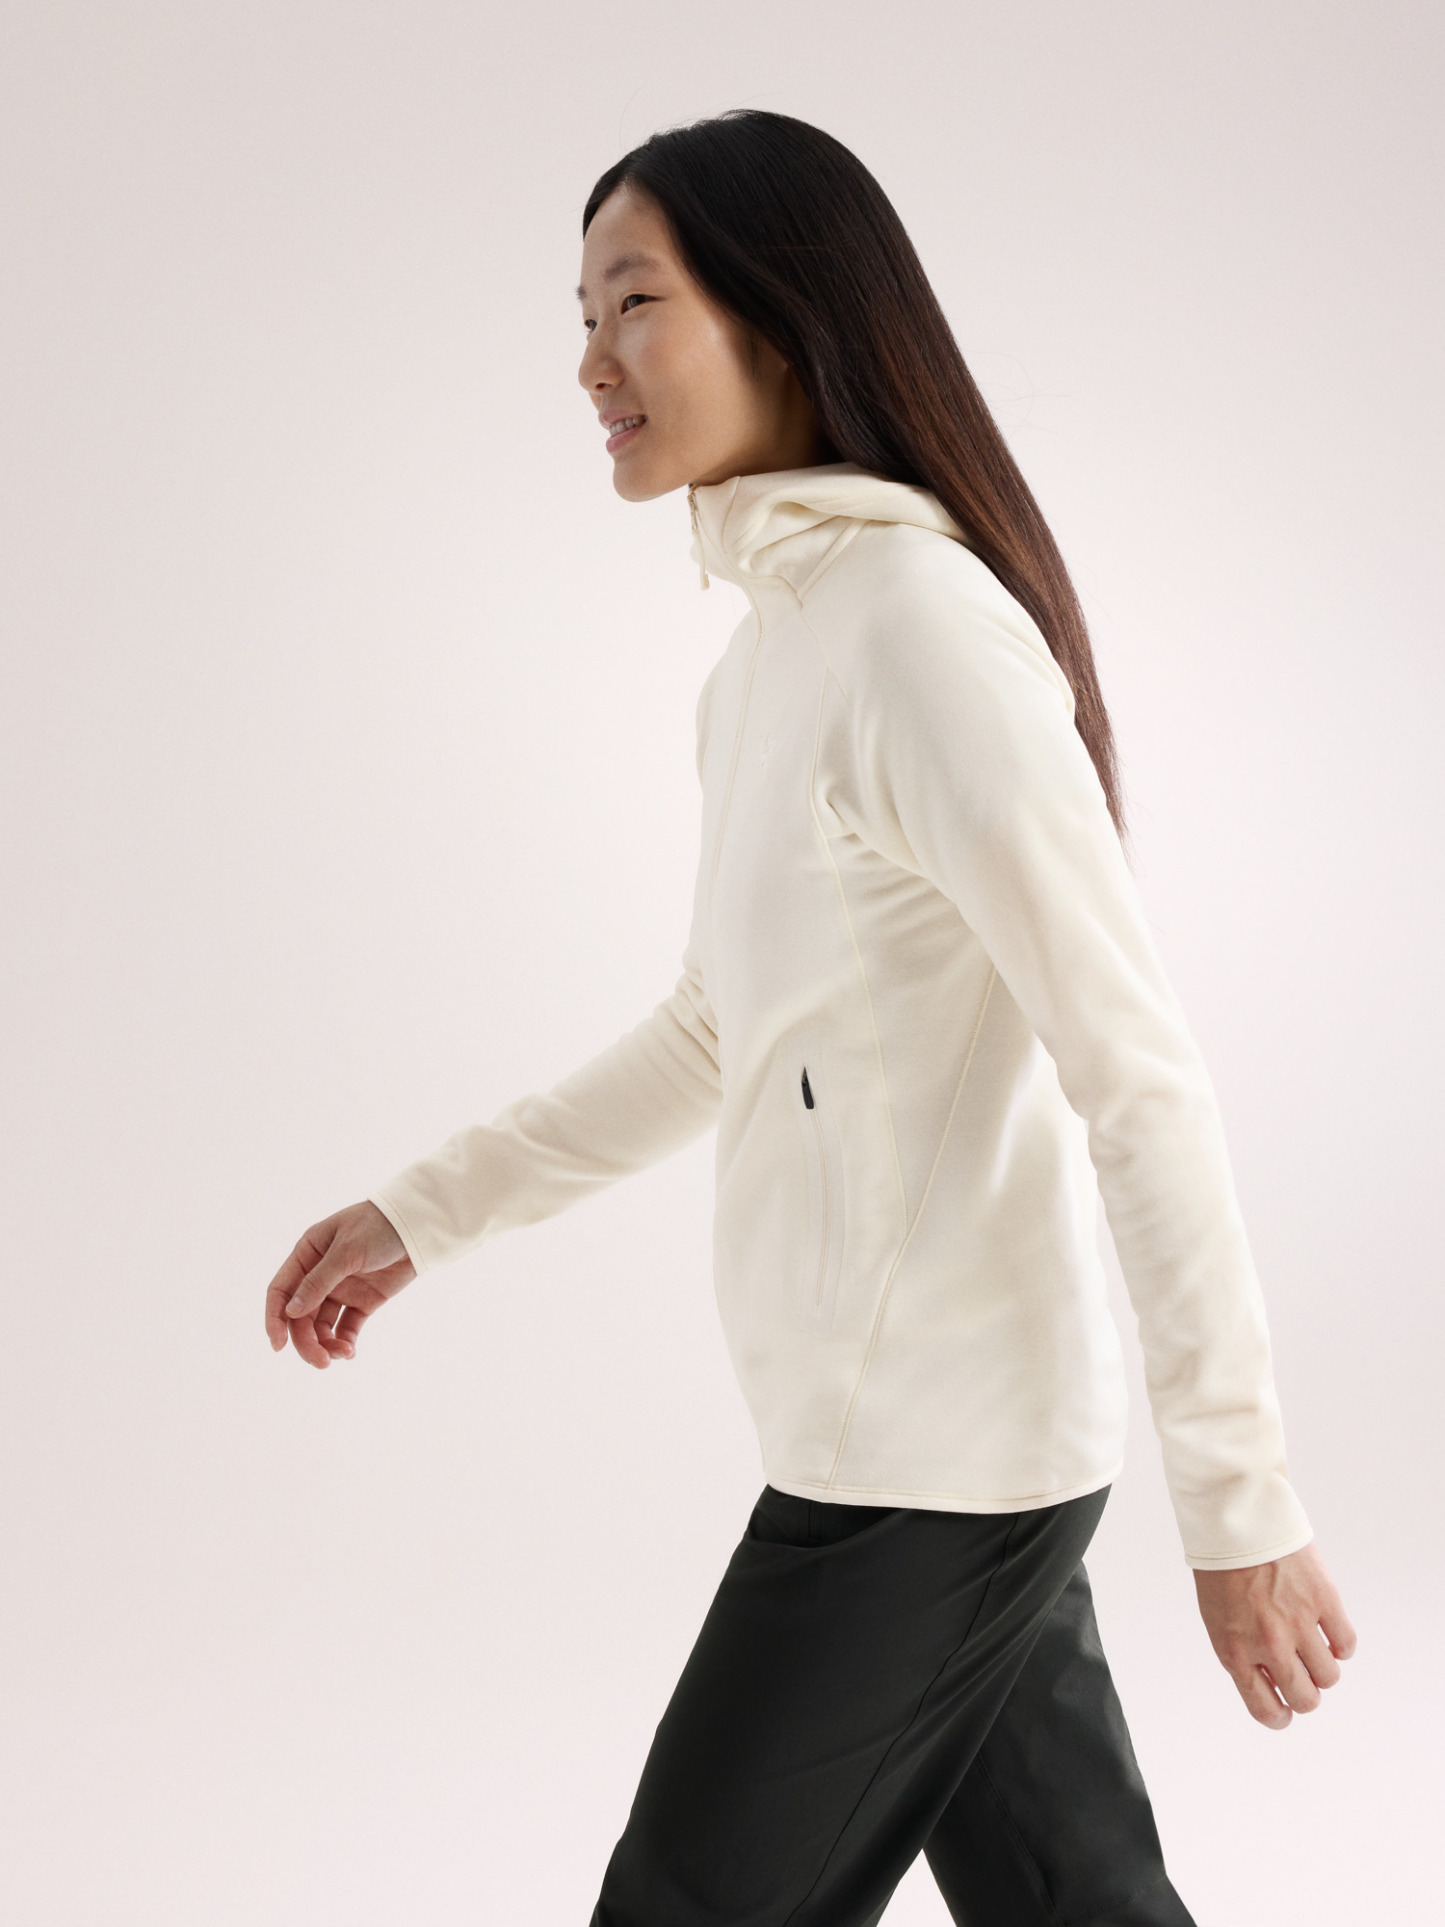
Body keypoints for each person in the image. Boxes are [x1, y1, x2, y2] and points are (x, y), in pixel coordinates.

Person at [263, 110, 1356, 1926]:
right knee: (1079, 1902)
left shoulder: (917, 632)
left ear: (782, 317)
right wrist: (421, 1212)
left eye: (633, 302)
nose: (589, 361)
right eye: (581, 315)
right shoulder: (770, 658)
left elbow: (1135, 1074)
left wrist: (1240, 1504)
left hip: (929, 1468)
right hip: (915, 1447)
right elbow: (720, 1028)